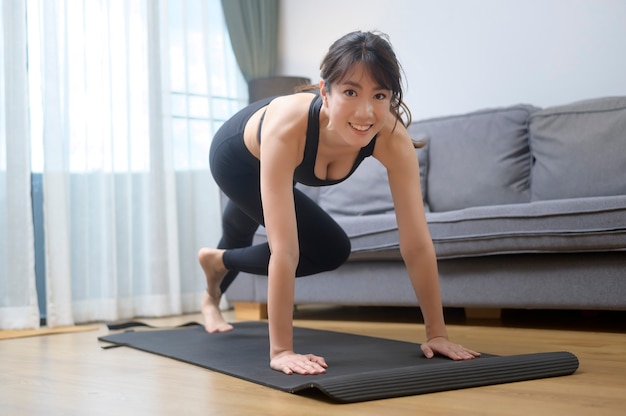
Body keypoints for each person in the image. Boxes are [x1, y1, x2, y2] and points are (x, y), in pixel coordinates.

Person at [198, 30, 480, 375]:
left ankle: (218, 265)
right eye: (350, 92)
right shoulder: (289, 128)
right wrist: (282, 351)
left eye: (379, 95)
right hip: (236, 160)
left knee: (330, 249)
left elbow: (417, 243)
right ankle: (215, 278)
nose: (366, 112)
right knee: (252, 234)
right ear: (325, 93)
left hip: (274, 161)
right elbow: (284, 250)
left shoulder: (391, 137)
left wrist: (437, 334)